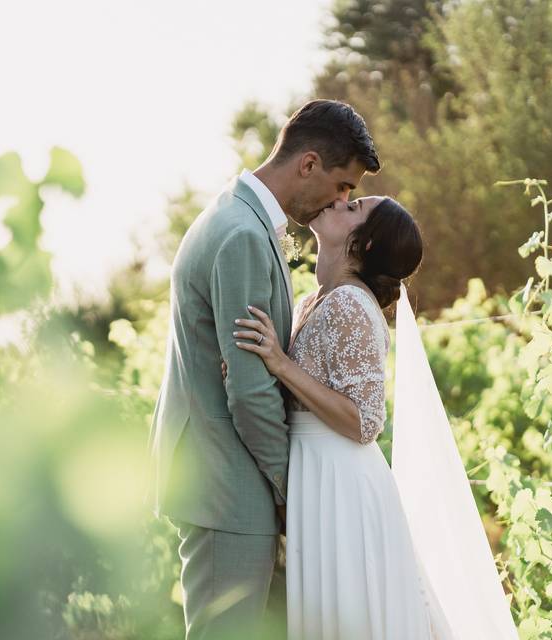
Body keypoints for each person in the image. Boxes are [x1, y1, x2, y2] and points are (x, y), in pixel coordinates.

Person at [148, 99, 380, 639]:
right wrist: (292, 494)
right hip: (226, 483)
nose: (343, 199)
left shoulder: (234, 214)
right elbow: (250, 392)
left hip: (219, 476)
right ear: (308, 164)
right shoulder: (244, 236)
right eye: (343, 185)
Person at [233, 196, 456, 638]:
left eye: (352, 206)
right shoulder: (314, 301)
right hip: (315, 475)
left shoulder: (351, 303)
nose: (338, 201)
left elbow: (365, 421)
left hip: (342, 482)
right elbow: (305, 392)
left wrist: (279, 364)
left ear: (363, 243)